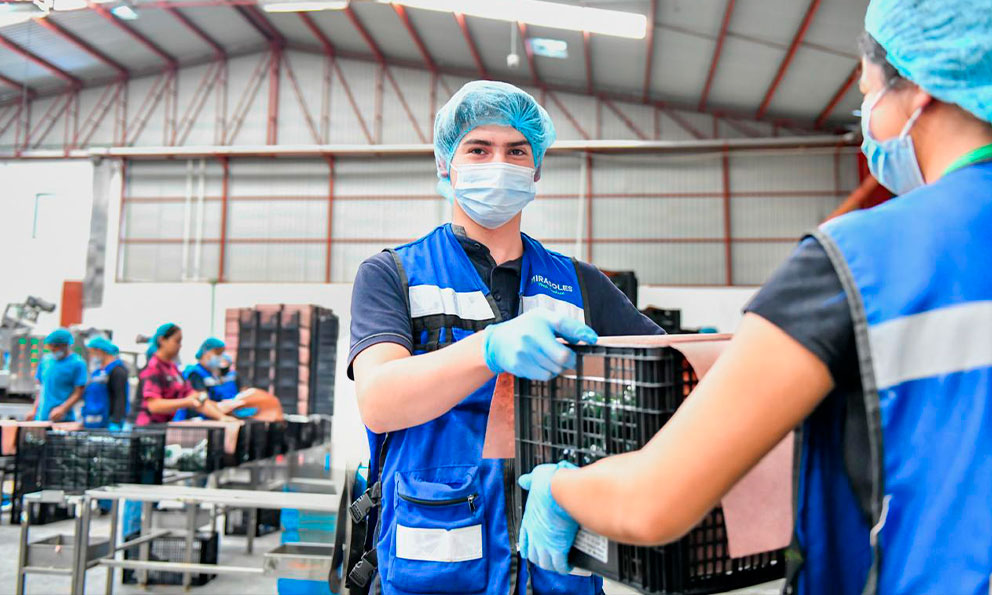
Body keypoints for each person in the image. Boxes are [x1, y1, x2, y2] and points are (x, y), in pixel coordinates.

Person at [515, 1, 992, 594]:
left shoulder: (860, 258)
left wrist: (559, 489)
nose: (867, 120)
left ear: (918, 87)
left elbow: (653, 499)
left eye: (868, 94)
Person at [348, 81, 662, 594]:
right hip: (437, 561)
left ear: (536, 169)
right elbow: (380, 402)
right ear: (445, 164)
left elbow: (670, 383)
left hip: (556, 563)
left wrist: (587, 483)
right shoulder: (393, 274)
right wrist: (488, 349)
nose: (499, 163)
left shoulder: (582, 285)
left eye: (516, 151)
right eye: (478, 149)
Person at [135, 323, 232, 426]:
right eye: (177, 341)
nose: (180, 346)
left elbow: (194, 396)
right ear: (162, 340)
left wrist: (221, 416)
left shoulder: (173, 369)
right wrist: (187, 402)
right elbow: (154, 406)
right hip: (147, 428)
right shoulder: (153, 367)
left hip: (164, 426)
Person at [27, 328, 87, 422]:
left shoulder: (77, 363)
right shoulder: (46, 360)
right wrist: (34, 410)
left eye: (56, 346)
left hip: (63, 418)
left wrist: (63, 408)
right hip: (42, 416)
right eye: (50, 346)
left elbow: (78, 392)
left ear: (66, 345)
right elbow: (41, 388)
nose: (52, 349)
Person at [81, 336, 129, 430]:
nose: (91, 356)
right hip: (93, 422)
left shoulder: (118, 371)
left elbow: (120, 398)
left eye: (91, 352)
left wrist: (116, 421)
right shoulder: (97, 372)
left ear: (99, 351)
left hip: (109, 423)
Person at [184, 337, 241, 403]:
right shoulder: (195, 374)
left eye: (222, 354)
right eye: (218, 353)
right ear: (205, 353)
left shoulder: (211, 373)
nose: (221, 357)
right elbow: (203, 402)